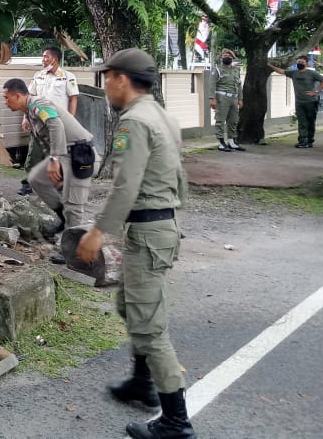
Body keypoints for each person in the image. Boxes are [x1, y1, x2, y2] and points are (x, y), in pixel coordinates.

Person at [77, 48, 196, 439]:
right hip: (158, 227)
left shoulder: (134, 122)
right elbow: (178, 177)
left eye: (107, 76)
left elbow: (126, 186)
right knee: (129, 304)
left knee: (150, 330)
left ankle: (177, 422)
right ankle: (141, 383)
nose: (105, 84)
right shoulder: (161, 115)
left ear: (122, 79)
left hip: (147, 231)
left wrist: (97, 233)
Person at [2, 77, 94, 264]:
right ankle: (63, 218)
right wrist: (55, 163)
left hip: (79, 153)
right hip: (64, 154)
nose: (5, 102)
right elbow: (46, 140)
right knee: (36, 178)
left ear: (18, 95)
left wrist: (54, 159)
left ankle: (74, 254)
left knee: (74, 205)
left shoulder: (38, 104)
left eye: (6, 97)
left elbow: (55, 125)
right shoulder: (29, 111)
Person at [21, 46, 80, 190]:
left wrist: (70, 119)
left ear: (55, 59)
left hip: (57, 123)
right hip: (38, 122)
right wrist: (25, 117)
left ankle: (59, 186)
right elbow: (30, 98)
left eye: (46, 57)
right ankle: (29, 185)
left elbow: (73, 99)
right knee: (33, 154)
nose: (43, 60)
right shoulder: (38, 76)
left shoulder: (67, 77)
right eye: (43, 57)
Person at [269, 55, 323, 148]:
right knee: (301, 122)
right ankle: (303, 141)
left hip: (310, 102)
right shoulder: (293, 73)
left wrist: (316, 91)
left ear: (307, 64)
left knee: (310, 122)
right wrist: (271, 66)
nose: (300, 64)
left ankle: (309, 140)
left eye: (302, 62)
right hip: (299, 102)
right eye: (298, 62)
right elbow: (281, 71)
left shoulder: (312, 73)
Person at [210, 48, 244, 152]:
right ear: (221, 58)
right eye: (224, 56)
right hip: (221, 98)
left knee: (233, 121)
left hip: (233, 98)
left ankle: (232, 142)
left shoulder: (236, 70)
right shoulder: (217, 70)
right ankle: (221, 143)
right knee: (220, 120)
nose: (227, 57)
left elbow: (239, 85)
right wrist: (212, 98)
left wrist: (240, 99)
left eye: (229, 56)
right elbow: (212, 85)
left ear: (232, 58)